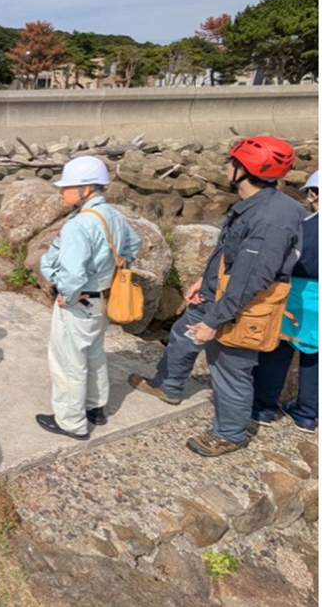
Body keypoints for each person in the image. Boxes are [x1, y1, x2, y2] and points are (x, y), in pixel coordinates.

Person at [129, 136, 303, 457]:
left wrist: (214, 321)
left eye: (232, 161)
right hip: (215, 293)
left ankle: (229, 434)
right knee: (182, 335)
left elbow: (251, 279)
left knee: (230, 369)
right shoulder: (254, 204)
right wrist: (203, 279)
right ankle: (168, 385)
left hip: (241, 307)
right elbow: (229, 250)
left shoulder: (270, 219)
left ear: (244, 170)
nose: (226, 166)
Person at [37, 156, 141, 440]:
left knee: (68, 362)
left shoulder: (79, 224)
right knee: (94, 353)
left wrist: (67, 295)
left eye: (67, 186)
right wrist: (110, 271)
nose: (61, 191)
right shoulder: (113, 215)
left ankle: (71, 422)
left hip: (80, 301)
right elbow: (132, 245)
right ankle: (95, 407)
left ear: (86, 188)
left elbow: (72, 274)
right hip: (102, 298)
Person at [252, 170, 318, 433]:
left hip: (297, 294)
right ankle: (307, 414)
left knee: (277, 350)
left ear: (314, 195)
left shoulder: (306, 226)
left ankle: (262, 408)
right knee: (314, 358)